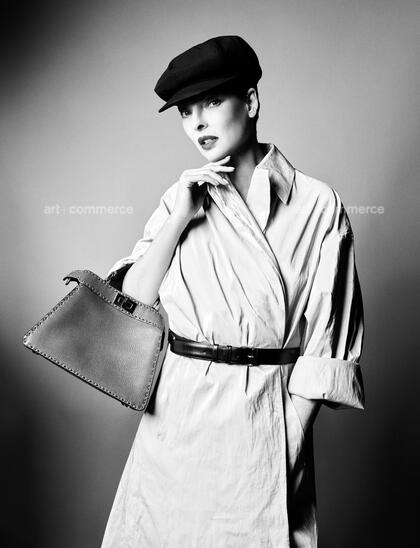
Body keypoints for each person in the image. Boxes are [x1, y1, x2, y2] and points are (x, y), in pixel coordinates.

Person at [100, 35, 365, 548]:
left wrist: (290, 432)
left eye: (212, 102)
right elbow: (134, 299)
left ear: (251, 101)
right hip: (178, 415)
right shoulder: (180, 198)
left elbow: (327, 339)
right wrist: (180, 218)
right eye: (186, 112)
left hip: (266, 416)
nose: (197, 123)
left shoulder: (317, 205)